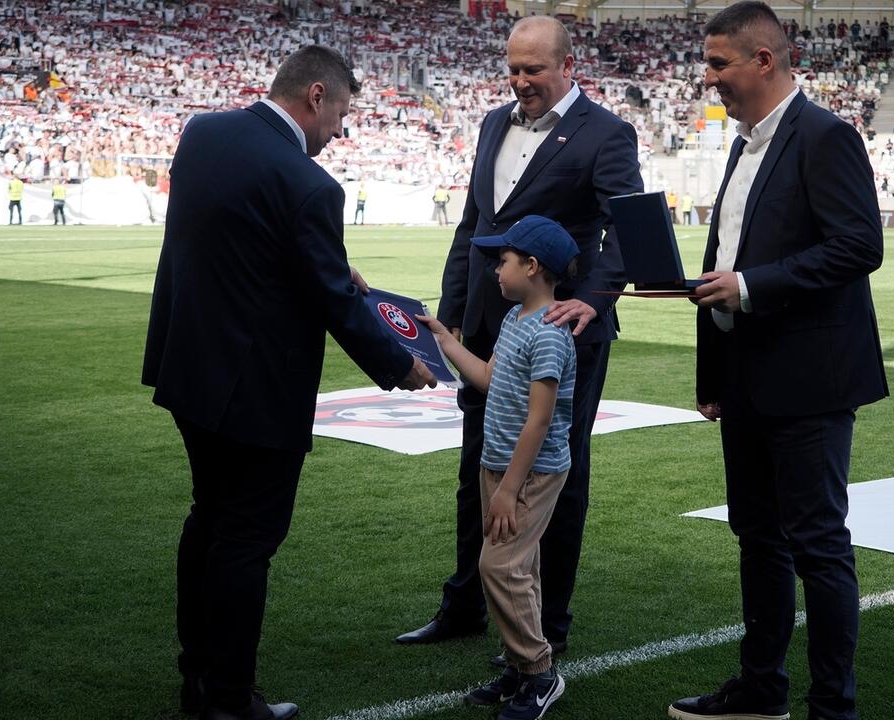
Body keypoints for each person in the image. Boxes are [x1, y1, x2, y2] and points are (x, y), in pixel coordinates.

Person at [142, 45, 436, 720]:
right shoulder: (310, 185)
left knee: (208, 519)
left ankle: (197, 678)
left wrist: (330, 268)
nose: (339, 133)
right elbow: (332, 300)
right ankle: (229, 699)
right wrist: (399, 364)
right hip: (255, 389)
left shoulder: (204, 132)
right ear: (315, 97)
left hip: (188, 367)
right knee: (246, 539)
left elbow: (244, 243)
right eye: (341, 115)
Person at [396, 15, 644, 663]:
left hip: (565, 330)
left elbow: (628, 230)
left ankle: (549, 624)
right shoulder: (491, 124)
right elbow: (473, 228)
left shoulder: (608, 134)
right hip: (485, 323)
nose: (521, 80)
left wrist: (589, 301)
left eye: (533, 68)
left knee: (560, 473)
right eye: (513, 68)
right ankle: (465, 604)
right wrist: (449, 321)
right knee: (478, 466)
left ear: (568, 66)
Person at [670, 4, 888, 720]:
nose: (709, 79)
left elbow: (859, 246)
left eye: (718, 64)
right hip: (747, 377)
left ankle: (835, 707)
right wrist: (713, 376)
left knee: (818, 546)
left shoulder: (825, 137)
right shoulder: (742, 146)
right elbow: (723, 262)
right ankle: (761, 688)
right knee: (757, 538)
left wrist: (753, 287)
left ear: (764, 61)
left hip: (811, 379)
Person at [419, 215, 579, 720]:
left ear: (532, 267)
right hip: (500, 466)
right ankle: (519, 666)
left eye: (503, 262)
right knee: (518, 569)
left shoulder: (550, 335)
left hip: (530, 474)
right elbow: (489, 377)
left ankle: (539, 672)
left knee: (499, 566)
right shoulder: (514, 321)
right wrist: (446, 340)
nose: (495, 271)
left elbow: (538, 421)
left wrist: (510, 489)